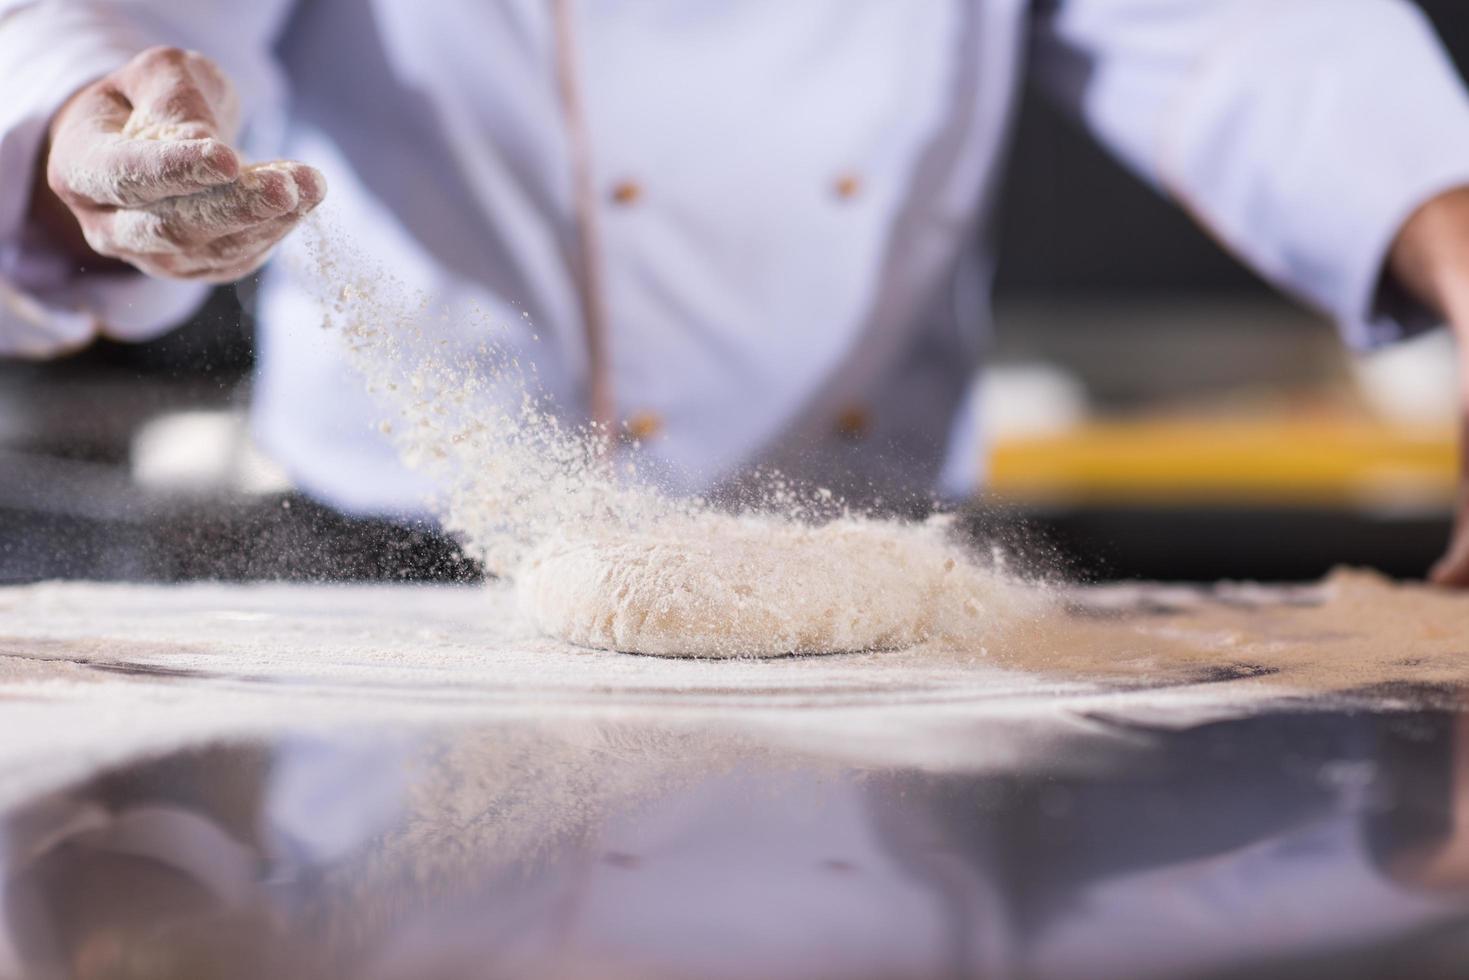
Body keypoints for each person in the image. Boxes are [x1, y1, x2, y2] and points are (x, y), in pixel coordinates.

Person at [3, 0, 1469, 584]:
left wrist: (1450, 230)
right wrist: (96, 123)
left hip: (880, 581)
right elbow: (118, 35)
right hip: (398, 574)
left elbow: (1244, 35)